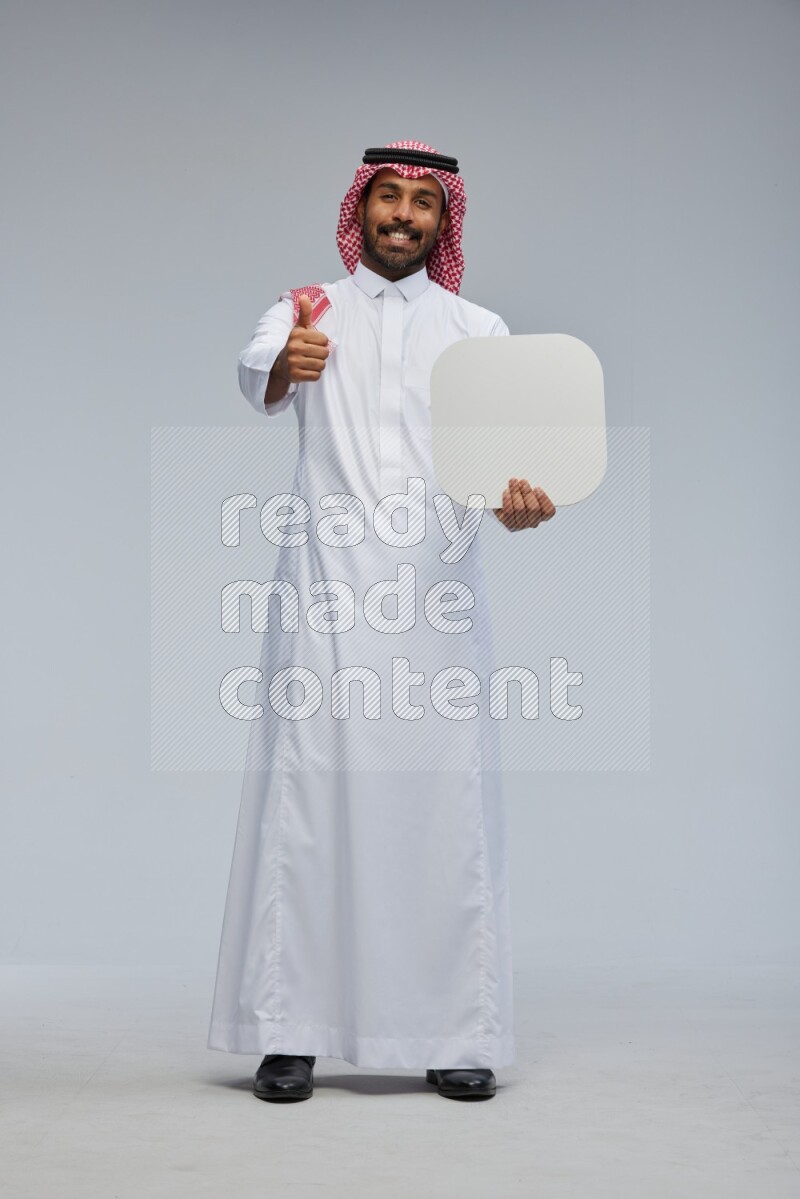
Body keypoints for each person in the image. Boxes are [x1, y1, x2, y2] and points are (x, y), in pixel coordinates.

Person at [207, 141, 556, 1102]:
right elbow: (259, 370)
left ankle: (455, 1031)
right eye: (388, 198)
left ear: (445, 221)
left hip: (438, 607)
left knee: (443, 814)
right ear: (360, 209)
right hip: (325, 600)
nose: (403, 215)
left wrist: (523, 502)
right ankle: (289, 1031)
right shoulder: (307, 307)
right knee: (309, 811)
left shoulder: (480, 331)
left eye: (422, 203)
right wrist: (286, 363)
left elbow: (507, 469)